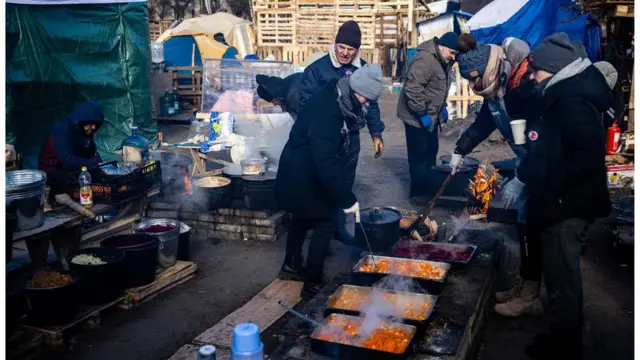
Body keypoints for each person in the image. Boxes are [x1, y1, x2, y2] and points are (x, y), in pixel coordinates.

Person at [516, 33, 612, 359]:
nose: (531, 76)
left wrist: (551, 187)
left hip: (567, 207)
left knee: (562, 279)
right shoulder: (561, 94)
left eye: (536, 70)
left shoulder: (572, 102)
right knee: (559, 277)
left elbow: (586, 158)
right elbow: (548, 144)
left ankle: (565, 348)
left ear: (554, 68)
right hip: (560, 201)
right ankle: (562, 336)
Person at [451, 36, 542, 317]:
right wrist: (460, 149)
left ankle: (532, 295)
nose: (471, 86)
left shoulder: (523, 85)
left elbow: (543, 141)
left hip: (541, 165)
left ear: (486, 72)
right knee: (524, 223)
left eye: (473, 80)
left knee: (535, 226)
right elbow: (483, 123)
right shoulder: (497, 88)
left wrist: (523, 176)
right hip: (528, 161)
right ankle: (526, 283)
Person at [275, 64, 383, 294]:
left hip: (300, 168)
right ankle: (312, 281)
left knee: (301, 218)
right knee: (324, 222)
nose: (367, 104)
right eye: (367, 99)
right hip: (303, 172)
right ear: (357, 90)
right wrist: (347, 199)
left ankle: (290, 264)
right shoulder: (329, 112)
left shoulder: (336, 93)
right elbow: (324, 161)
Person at [298, 20, 385, 244]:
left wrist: (376, 133)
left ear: (357, 50)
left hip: (350, 139)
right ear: (335, 44)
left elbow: (371, 105)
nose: (345, 53)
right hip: (325, 138)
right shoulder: (317, 70)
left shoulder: (362, 69)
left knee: (344, 184)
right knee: (322, 184)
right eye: (342, 47)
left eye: (351, 49)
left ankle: (338, 229)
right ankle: (320, 234)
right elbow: (305, 104)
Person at [396, 32, 460, 201]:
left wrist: (442, 107)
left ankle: (428, 189)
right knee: (419, 155)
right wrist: (422, 114)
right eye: (451, 52)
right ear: (441, 46)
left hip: (430, 114)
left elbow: (436, 88)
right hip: (415, 115)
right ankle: (418, 194)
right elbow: (412, 90)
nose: (453, 57)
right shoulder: (425, 60)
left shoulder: (442, 60)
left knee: (431, 150)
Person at [39, 101, 104, 201]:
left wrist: (101, 165)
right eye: (91, 123)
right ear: (82, 121)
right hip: (53, 168)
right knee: (70, 180)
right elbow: (67, 159)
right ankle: (57, 202)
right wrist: (93, 164)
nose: (94, 127)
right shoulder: (61, 130)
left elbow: (91, 152)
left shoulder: (86, 130)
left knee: (99, 175)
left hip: (76, 166)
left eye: (96, 124)